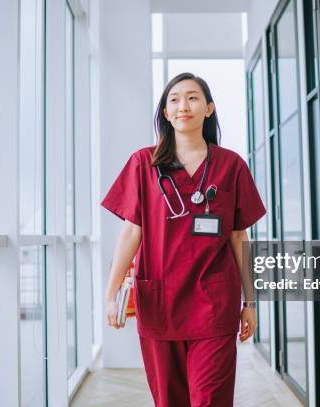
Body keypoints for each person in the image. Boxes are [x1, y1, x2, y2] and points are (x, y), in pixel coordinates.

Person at [101, 72, 266, 407]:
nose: (182, 106)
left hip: (214, 302)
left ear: (208, 109)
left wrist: (250, 302)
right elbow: (132, 232)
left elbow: (239, 237)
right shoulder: (142, 164)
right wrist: (111, 292)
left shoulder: (231, 165)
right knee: (169, 401)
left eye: (192, 97)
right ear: (165, 112)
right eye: (173, 99)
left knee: (210, 399)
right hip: (160, 301)